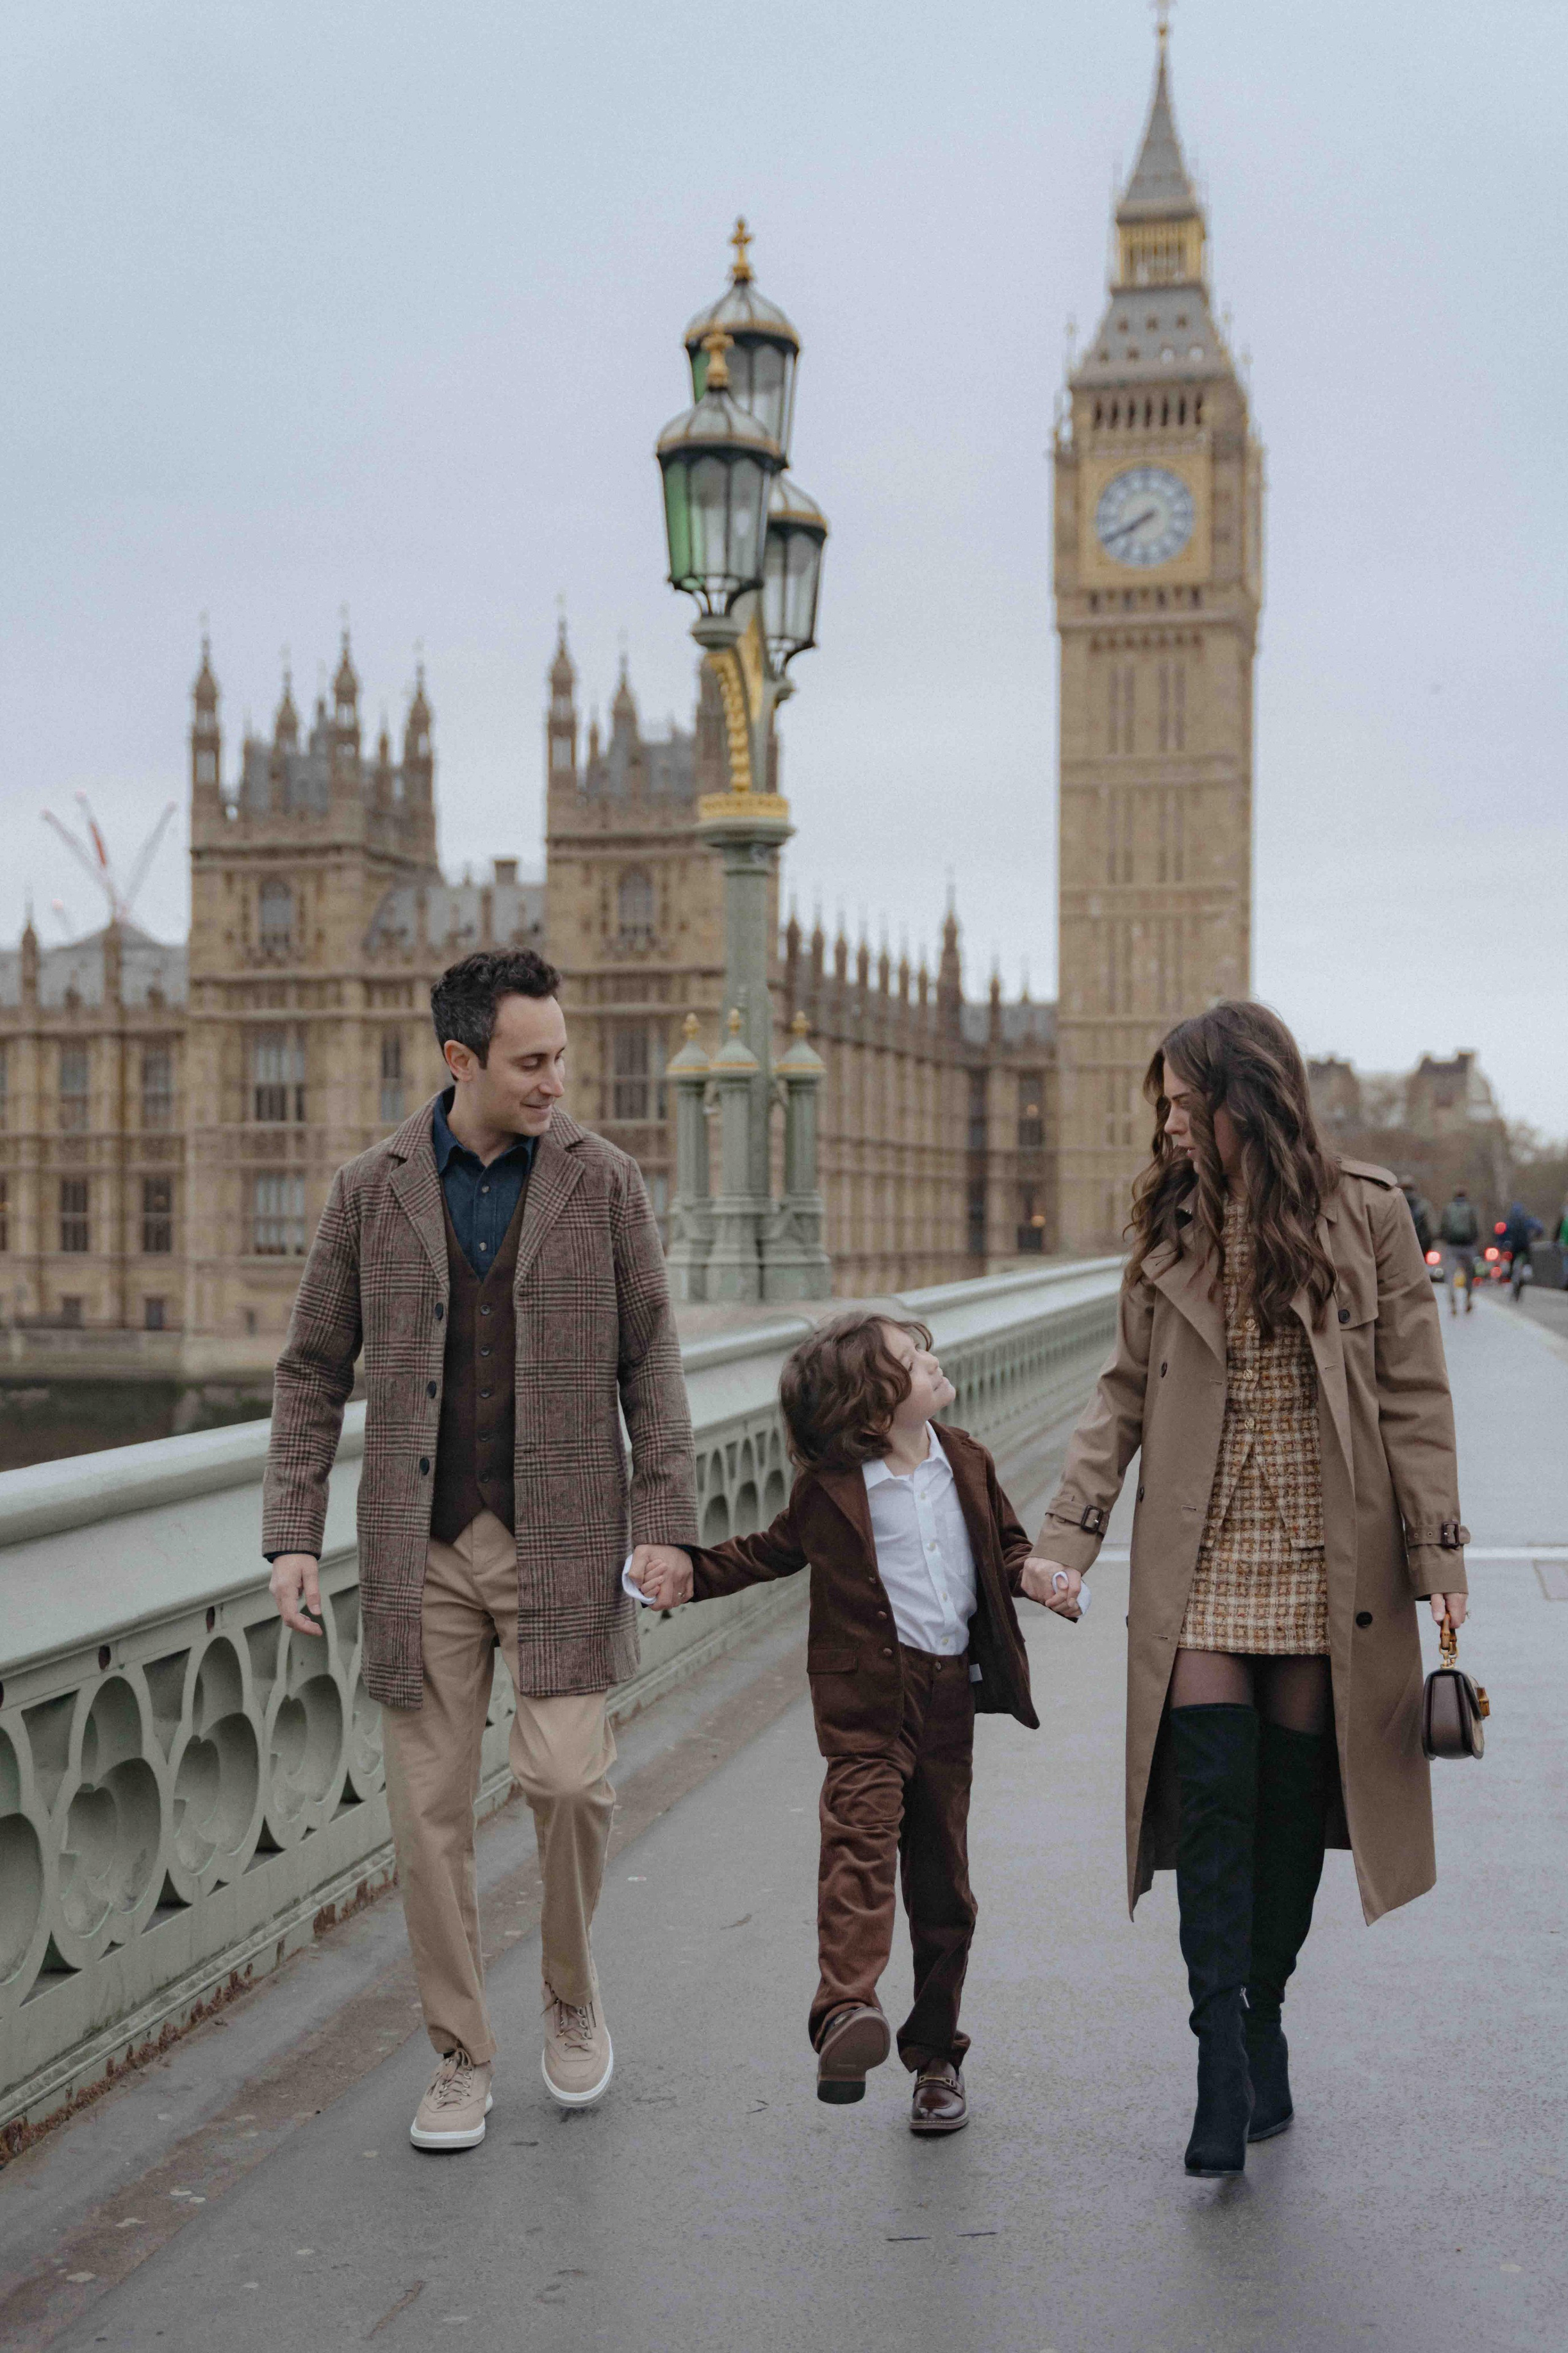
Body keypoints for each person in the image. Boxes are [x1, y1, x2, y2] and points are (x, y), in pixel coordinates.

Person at [263, 948, 696, 2151]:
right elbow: (309, 1374)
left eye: (560, 1054)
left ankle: (568, 1988)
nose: (558, 1076)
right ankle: (460, 2050)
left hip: (562, 1539)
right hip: (422, 1546)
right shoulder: (370, 1188)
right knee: (428, 1817)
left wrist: (665, 1522)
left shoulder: (606, 1185)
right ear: (461, 1059)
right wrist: (290, 1536)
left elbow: (651, 1362)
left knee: (566, 1780)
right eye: (533, 1059)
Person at [1028, 1001, 1468, 2179]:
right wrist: (1064, 1542)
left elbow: (1414, 1396)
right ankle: (1215, 2053)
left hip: (1331, 1565)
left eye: (1185, 1103)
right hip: (1204, 1556)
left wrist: (1439, 1562)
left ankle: (1261, 2009)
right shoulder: (1167, 1221)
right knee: (1214, 1811)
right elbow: (1120, 1393)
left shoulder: (1366, 1212)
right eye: (1160, 1105)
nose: (1169, 1125)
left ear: (1249, 1100)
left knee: (1283, 1820)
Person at [630, 1313, 1074, 2134]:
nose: (933, 1362)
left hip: (947, 1700)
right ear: (872, 1408)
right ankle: (844, 2013)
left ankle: (936, 2056)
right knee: (858, 1851)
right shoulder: (832, 1491)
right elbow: (767, 1550)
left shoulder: (966, 1460)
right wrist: (688, 1571)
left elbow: (1004, 1551)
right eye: (911, 1360)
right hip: (866, 1703)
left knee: (945, 1892)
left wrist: (1037, 1573)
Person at [1437, 1185, 1480, 1314]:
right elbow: (1475, 1228)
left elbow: (1443, 1228)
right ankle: (1468, 1300)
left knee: (1450, 1275)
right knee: (1469, 1275)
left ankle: (1453, 1302)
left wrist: (1445, 1239)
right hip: (1468, 1246)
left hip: (1452, 1247)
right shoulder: (1470, 1209)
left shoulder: (1448, 1209)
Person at [1500, 1200, 1542, 1302]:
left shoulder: (1509, 1222)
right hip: (1525, 1246)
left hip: (1513, 1247)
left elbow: (1500, 1234)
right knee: (1528, 1260)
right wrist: (1536, 1236)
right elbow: (1539, 1227)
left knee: (1511, 1264)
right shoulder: (1527, 1220)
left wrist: (1502, 1244)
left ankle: (1510, 1278)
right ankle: (1527, 1269)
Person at [1397, 1173, 1434, 1257]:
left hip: (1420, 1248)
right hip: (1404, 1248)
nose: (1407, 1192)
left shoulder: (1423, 1205)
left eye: (1409, 1189)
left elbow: (1431, 1229)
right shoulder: (1424, 1205)